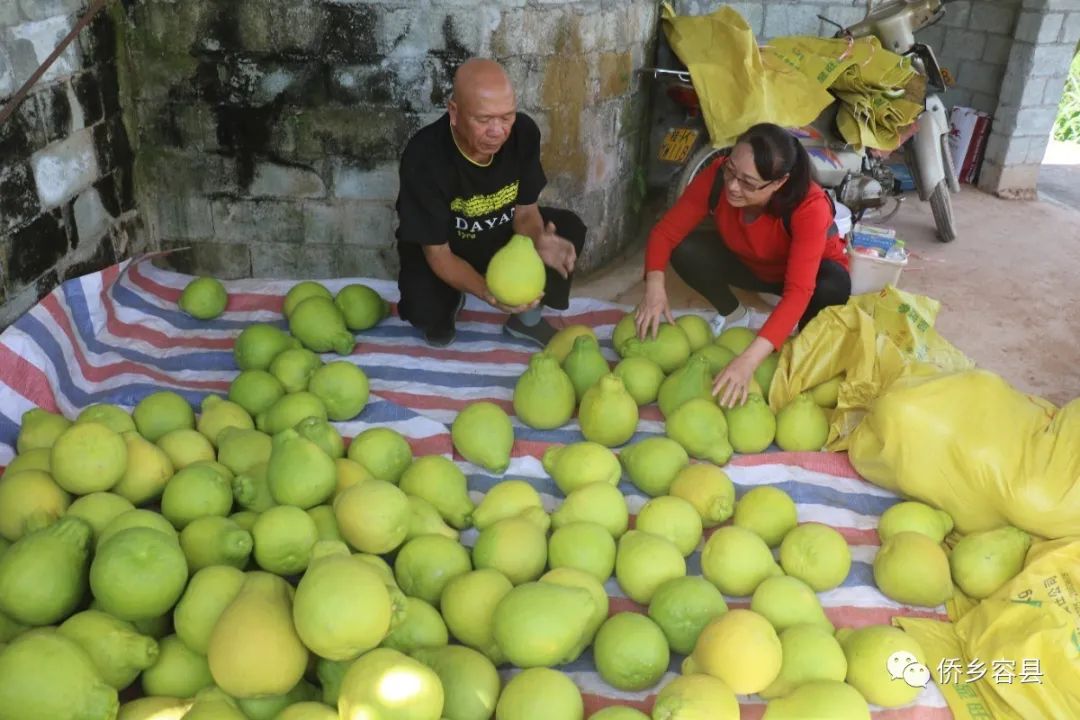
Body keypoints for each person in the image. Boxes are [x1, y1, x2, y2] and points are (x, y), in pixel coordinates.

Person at [636, 123, 851, 408]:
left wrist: (747, 362)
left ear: (778, 183)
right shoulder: (717, 176)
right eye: (732, 171)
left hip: (809, 278)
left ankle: (801, 350)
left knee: (834, 284)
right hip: (752, 264)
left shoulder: (809, 206)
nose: (733, 186)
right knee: (684, 248)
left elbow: (799, 291)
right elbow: (665, 233)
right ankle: (736, 315)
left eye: (748, 183)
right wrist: (654, 287)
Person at [394, 57, 587, 348]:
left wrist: (538, 239)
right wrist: (488, 293)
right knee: (425, 313)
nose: (498, 131)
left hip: (501, 236)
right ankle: (451, 297)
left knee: (567, 229)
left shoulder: (523, 134)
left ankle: (527, 320)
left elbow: (524, 213)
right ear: (454, 113)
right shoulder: (425, 157)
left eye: (506, 117)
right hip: (447, 243)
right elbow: (438, 254)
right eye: (484, 120)